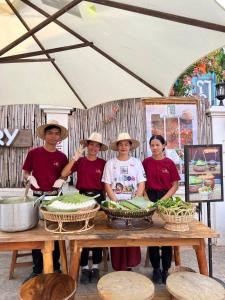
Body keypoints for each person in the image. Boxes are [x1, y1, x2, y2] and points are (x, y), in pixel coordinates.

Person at [22, 120, 68, 281]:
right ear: (44, 135)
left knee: (55, 232)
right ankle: (37, 269)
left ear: (59, 137)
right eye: (50, 133)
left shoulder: (62, 157)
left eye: (56, 133)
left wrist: (63, 179)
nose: (53, 136)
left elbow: (65, 173)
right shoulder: (34, 153)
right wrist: (30, 178)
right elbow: (26, 171)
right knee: (37, 234)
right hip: (36, 197)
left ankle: (55, 268)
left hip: (55, 198)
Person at [61, 132, 108, 284]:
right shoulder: (80, 161)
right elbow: (64, 174)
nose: (93, 147)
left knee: (97, 234)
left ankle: (94, 266)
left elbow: (108, 185)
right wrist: (74, 157)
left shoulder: (103, 163)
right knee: (83, 232)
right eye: (91, 144)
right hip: (81, 198)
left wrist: (107, 204)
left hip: (99, 199)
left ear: (99, 148)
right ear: (87, 145)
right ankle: (83, 267)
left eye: (97, 145)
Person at [102, 132, 146, 271]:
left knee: (132, 233)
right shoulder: (110, 163)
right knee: (117, 234)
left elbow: (141, 183)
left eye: (126, 144)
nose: (123, 147)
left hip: (133, 206)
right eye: (121, 144)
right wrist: (115, 202)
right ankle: (118, 265)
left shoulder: (136, 163)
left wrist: (135, 201)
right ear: (117, 147)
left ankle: (131, 264)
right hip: (116, 206)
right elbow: (107, 184)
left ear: (130, 146)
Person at [142, 135, 180, 284]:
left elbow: (175, 185)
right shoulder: (146, 162)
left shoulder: (169, 163)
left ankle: (166, 269)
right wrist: (146, 199)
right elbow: (142, 183)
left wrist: (163, 201)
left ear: (164, 145)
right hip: (149, 198)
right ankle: (156, 269)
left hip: (166, 197)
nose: (154, 147)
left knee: (166, 235)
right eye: (152, 145)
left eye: (157, 144)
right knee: (151, 235)